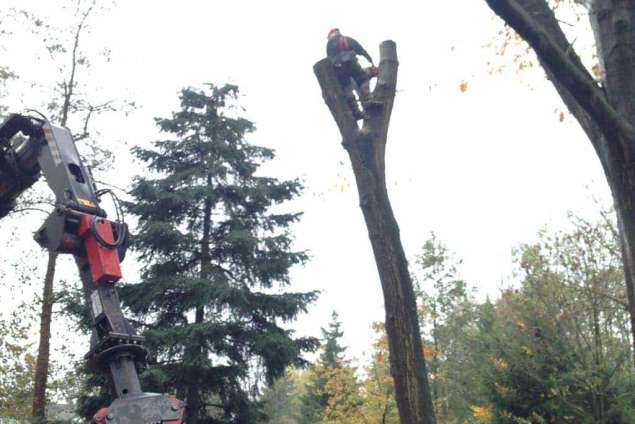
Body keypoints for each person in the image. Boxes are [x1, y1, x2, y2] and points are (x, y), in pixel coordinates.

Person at [326, 28, 379, 120]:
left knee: (347, 89)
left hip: (339, 69)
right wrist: (370, 61)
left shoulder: (329, 44)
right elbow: (361, 50)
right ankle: (368, 102)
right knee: (361, 81)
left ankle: (356, 112)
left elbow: (329, 60)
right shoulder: (346, 39)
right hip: (351, 64)